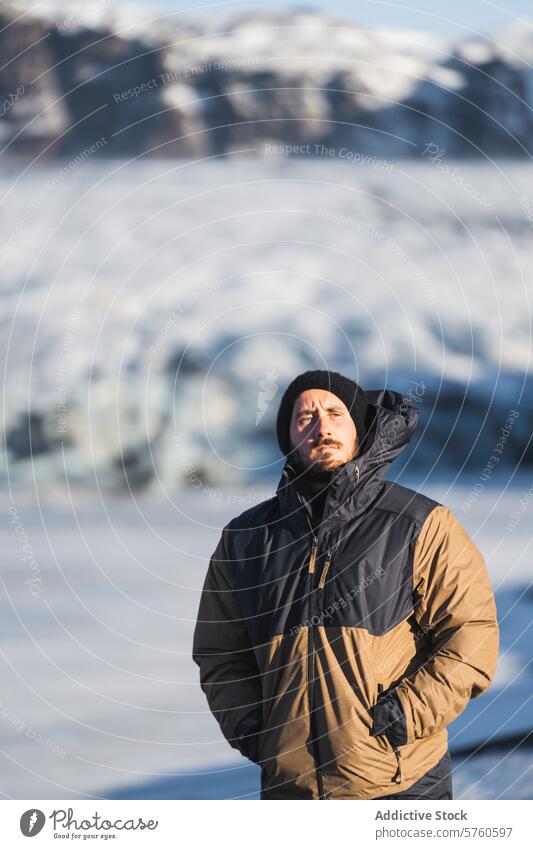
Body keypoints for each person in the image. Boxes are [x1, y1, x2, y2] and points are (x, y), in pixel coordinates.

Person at [192, 370, 499, 800]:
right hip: (291, 791)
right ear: (288, 438)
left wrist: (404, 716)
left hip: (400, 784)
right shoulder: (245, 540)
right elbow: (220, 652)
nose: (322, 426)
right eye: (305, 417)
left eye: (336, 412)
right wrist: (253, 728)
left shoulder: (419, 524)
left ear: (359, 428)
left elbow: (471, 637)